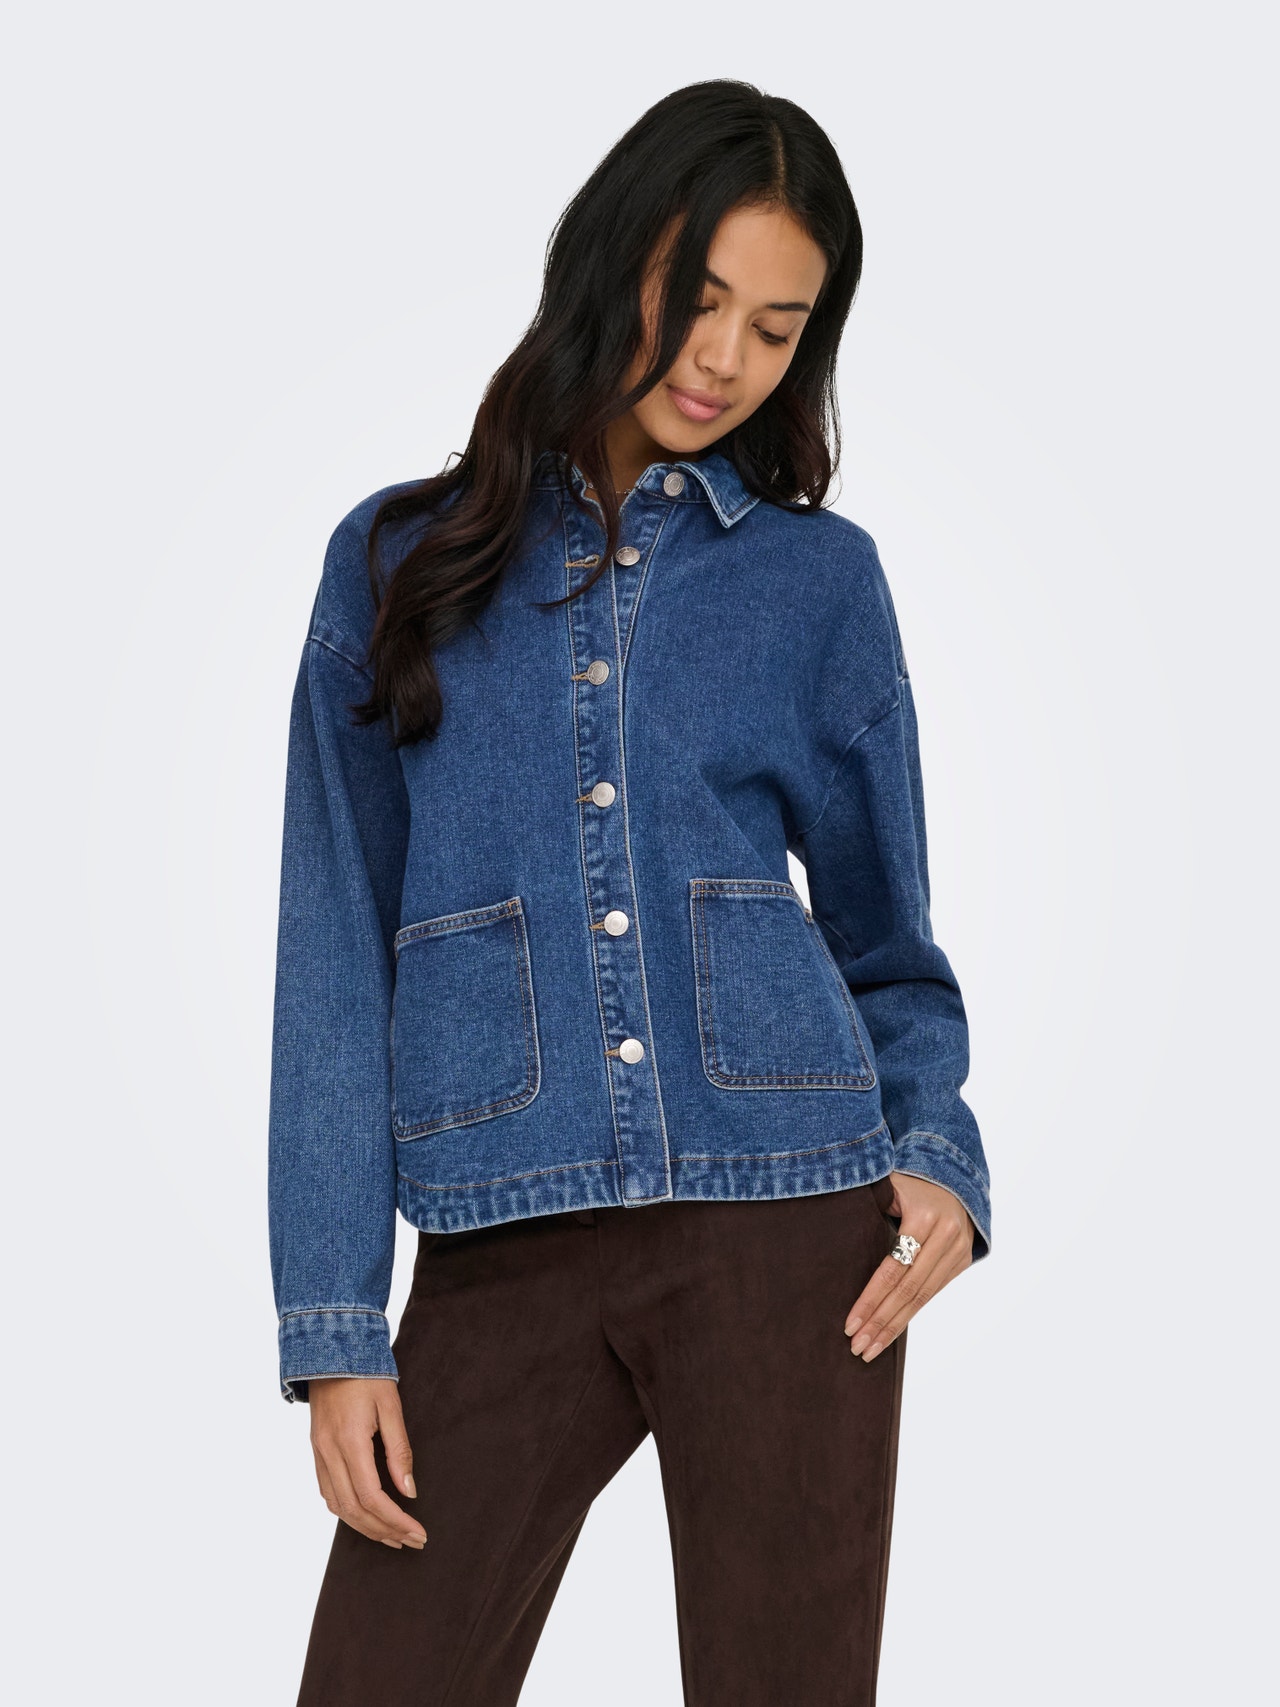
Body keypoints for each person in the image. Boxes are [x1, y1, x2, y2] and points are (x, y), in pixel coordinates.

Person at [268, 78, 991, 1707]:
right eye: (697, 296)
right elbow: (334, 951)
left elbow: (888, 940)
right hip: (497, 1231)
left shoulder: (819, 582)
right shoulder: (395, 564)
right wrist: (334, 1320)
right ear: (614, 261)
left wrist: (937, 1150)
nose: (724, 357)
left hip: (789, 1225)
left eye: (777, 329)